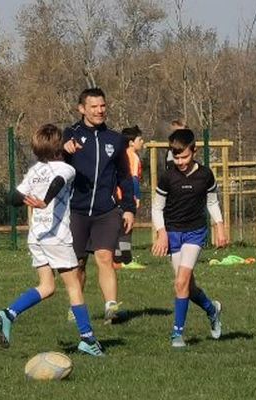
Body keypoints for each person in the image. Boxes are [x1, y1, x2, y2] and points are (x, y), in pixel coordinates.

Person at [0, 124, 104, 356]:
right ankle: (87, 339)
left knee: (47, 286)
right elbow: (58, 183)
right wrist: (45, 200)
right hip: (57, 237)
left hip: (36, 237)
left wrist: (26, 199)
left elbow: (12, 196)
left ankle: (9, 314)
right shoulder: (66, 168)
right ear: (59, 146)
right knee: (74, 285)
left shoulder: (35, 170)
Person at [63, 87, 136, 324]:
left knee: (105, 257)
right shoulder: (70, 134)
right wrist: (65, 151)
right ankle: (77, 308)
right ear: (82, 109)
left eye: (102, 106)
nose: (99, 111)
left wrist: (128, 208)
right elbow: (56, 164)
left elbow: (125, 177)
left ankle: (111, 308)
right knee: (79, 263)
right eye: (93, 107)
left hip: (106, 211)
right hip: (76, 212)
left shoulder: (116, 139)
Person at [151, 128, 228, 348]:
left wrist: (220, 228)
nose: (181, 161)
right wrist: (161, 234)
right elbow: (157, 209)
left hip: (195, 232)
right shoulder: (167, 177)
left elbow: (212, 202)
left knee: (181, 282)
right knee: (187, 286)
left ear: (194, 151)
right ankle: (212, 309)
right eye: (176, 157)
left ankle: (177, 334)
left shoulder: (205, 174)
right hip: (173, 233)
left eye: (184, 156)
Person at [113, 125, 146, 270]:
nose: (142, 142)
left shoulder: (121, 154)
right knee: (127, 226)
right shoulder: (132, 156)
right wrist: (136, 196)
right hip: (125, 197)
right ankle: (126, 260)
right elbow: (132, 178)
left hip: (116, 197)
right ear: (132, 142)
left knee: (119, 227)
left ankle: (117, 259)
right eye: (140, 139)